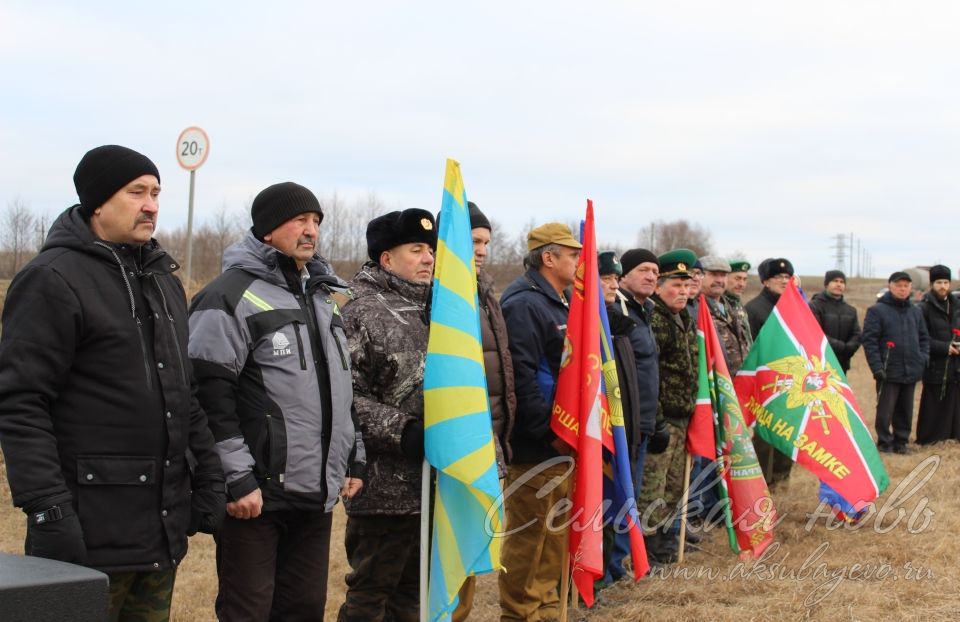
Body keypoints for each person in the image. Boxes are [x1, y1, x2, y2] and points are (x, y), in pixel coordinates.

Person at [0, 145, 225, 620]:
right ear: (98, 201)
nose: (151, 204)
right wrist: (47, 508)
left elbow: (184, 393)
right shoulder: (52, 279)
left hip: (160, 528)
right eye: (137, 192)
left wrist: (208, 473)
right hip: (85, 531)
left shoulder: (163, 280)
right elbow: (20, 403)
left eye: (157, 192)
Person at [188, 182, 365, 620]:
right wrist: (237, 479)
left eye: (316, 222)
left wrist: (353, 457)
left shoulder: (325, 298)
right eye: (300, 221)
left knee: (304, 608)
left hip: (314, 492)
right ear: (267, 230)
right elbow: (207, 394)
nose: (311, 231)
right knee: (248, 610)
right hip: (257, 495)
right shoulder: (228, 296)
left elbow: (341, 388)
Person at [339, 208, 437, 622]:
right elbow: (346, 397)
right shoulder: (360, 312)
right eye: (416, 250)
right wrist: (405, 432)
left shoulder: (440, 310)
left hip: (434, 484)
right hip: (383, 487)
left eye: (430, 250)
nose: (428, 258)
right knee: (371, 594)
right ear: (386, 259)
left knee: (413, 597)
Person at [499, 223, 581, 622]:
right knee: (528, 536)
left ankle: (547, 608)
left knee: (554, 536)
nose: (579, 262)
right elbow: (522, 377)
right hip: (537, 445)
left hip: (562, 441)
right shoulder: (524, 303)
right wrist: (548, 434)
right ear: (548, 257)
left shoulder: (559, 301)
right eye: (573, 255)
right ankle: (519, 613)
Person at [451, 202, 516, 622]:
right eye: (474, 241)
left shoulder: (484, 290)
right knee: (448, 558)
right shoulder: (444, 294)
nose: (482, 250)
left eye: (487, 242)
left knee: (470, 551)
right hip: (458, 440)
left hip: (489, 438)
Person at [638, 249, 699, 565]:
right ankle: (646, 552)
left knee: (674, 487)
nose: (684, 292)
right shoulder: (657, 319)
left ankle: (664, 546)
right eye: (676, 285)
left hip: (683, 417)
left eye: (687, 286)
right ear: (659, 286)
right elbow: (652, 376)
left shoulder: (685, 318)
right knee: (653, 488)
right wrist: (658, 420)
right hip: (663, 421)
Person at [862, 271, 930, 454]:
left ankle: (901, 442)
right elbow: (870, 341)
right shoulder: (877, 311)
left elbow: (924, 338)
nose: (902, 289)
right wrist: (877, 366)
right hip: (888, 369)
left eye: (906, 286)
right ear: (890, 286)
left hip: (911, 368)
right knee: (886, 409)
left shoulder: (915, 311)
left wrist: (923, 359)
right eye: (899, 285)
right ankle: (885, 443)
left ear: (910, 288)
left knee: (906, 409)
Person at [745, 257, 796, 486]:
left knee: (787, 429)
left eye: (787, 277)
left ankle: (781, 474)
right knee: (765, 433)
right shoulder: (754, 309)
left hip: (789, 378)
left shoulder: (793, 307)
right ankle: (763, 480)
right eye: (778, 277)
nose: (784, 281)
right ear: (766, 281)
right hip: (765, 380)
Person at [915, 265, 960, 444]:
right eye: (939, 282)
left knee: (953, 401)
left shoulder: (956, 305)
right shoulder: (923, 308)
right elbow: (921, 337)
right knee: (934, 402)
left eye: (946, 282)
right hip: (935, 363)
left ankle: (953, 435)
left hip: (955, 363)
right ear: (932, 284)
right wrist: (944, 348)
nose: (943, 286)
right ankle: (931, 438)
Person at [700, 255, 751, 374]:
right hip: (715, 384)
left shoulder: (731, 306)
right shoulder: (696, 308)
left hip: (738, 383)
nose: (719, 280)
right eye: (714, 274)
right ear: (699, 276)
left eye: (723, 275)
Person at [808, 270, 861, 374]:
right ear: (826, 284)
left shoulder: (850, 310)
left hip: (842, 364)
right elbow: (815, 333)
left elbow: (857, 334)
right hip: (820, 364)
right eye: (835, 281)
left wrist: (849, 348)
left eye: (842, 282)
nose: (838, 284)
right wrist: (841, 347)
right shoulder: (814, 306)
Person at [724, 258, 754, 353]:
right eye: (737, 278)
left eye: (744, 279)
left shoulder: (738, 304)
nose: (742, 284)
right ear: (725, 278)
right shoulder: (720, 304)